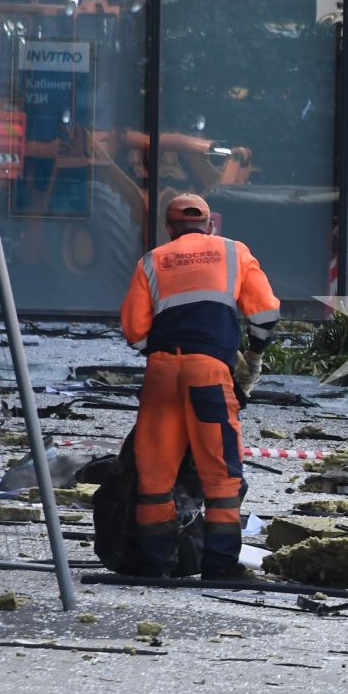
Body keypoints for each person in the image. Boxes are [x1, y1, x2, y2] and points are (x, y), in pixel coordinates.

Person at [119, 193, 280, 578]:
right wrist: (252, 356)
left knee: (155, 476)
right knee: (221, 474)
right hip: (208, 373)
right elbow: (266, 312)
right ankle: (220, 567)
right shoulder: (233, 251)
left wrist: (162, 354)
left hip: (160, 372)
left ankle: (156, 565)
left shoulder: (152, 261)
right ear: (210, 225)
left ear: (170, 228)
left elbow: (134, 331)